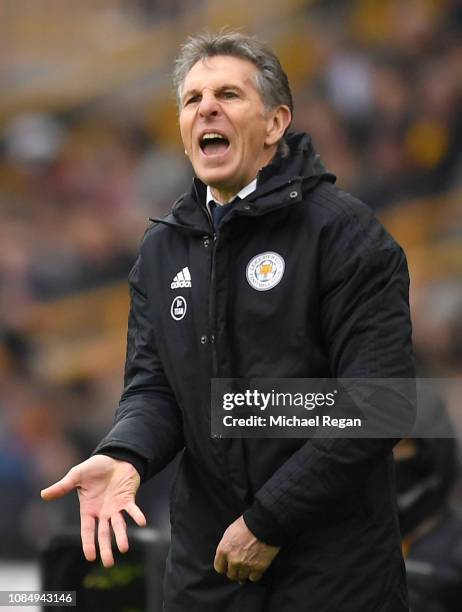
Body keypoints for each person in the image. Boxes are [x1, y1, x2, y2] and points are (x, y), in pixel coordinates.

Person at [41, 31, 415, 611]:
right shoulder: (161, 251)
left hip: (336, 570)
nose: (206, 108)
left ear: (275, 123)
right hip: (206, 566)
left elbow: (379, 402)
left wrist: (268, 520)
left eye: (229, 95)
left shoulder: (347, 235)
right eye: (192, 100)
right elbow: (155, 390)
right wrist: (125, 453)